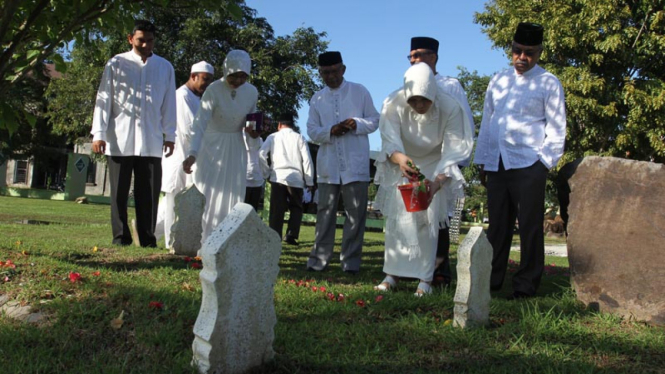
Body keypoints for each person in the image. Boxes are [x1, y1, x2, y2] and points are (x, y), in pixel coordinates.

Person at [474, 23, 566, 299]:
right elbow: (488, 123)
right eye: (517, 51)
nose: (522, 58)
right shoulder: (498, 79)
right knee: (498, 228)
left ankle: (525, 286)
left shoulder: (548, 82)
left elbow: (557, 128)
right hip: (498, 164)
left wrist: (542, 164)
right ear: (511, 49)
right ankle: (490, 283)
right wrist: (483, 160)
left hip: (529, 164)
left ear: (539, 53)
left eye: (530, 53)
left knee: (529, 227)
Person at [373, 62, 473, 296]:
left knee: (427, 222)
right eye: (413, 100)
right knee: (397, 220)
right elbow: (389, 138)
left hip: (436, 164)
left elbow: (453, 149)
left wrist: (436, 183)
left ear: (432, 93)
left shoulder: (451, 107)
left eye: (424, 100)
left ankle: (425, 279)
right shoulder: (392, 103)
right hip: (404, 161)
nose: (419, 105)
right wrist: (399, 158)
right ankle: (392, 274)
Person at [91, 20, 176, 247]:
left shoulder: (165, 67)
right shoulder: (116, 63)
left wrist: (170, 135)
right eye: (141, 40)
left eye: (150, 40)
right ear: (130, 39)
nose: (146, 44)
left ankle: (147, 238)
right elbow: (104, 98)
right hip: (120, 137)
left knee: (148, 193)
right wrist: (98, 133)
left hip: (151, 139)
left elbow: (169, 104)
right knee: (118, 193)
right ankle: (120, 237)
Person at [409, 36, 476, 287]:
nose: (414, 60)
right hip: (417, 161)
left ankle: (439, 273)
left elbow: (464, 125)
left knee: (441, 219)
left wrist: (455, 162)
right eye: (411, 56)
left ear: (433, 58)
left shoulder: (450, 85)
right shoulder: (408, 84)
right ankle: (413, 270)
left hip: (443, 163)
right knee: (416, 217)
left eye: (419, 55)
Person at [305, 51, 380, 275]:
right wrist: (331, 130)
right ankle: (318, 261)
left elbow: (375, 120)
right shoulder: (317, 98)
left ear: (343, 69)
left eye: (335, 71)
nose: (331, 76)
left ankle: (350, 263)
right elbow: (311, 131)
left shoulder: (359, 91)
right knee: (325, 212)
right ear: (320, 73)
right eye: (326, 72)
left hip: (355, 165)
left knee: (356, 214)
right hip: (329, 165)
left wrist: (356, 123)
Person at [182, 49, 260, 243]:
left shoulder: (252, 92)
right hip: (211, 147)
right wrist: (193, 153)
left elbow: (250, 123)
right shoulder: (214, 90)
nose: (238, 81)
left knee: (234, 193)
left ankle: (225, 242)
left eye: (243, 76)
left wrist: (253, 133)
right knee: (207, 192)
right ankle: (200, 241)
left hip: (235, 147)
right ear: (227, 71)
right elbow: (199, 124)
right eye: (234, 76)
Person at [155, 61, 214, 248]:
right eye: (204, 79)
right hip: (180, 155)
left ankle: (149, 230)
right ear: (193, 76)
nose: (206, 84)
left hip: (192, 155)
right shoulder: (181, 96)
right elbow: (191, 129)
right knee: (174, 198)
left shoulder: (198, 99)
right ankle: (170, 242)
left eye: (209, 80)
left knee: (177, 200)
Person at [259, 113, 314, 245]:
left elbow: (261, 154)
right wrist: (309, 181)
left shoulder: (273, 137)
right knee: (296, 208)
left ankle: (274, 235)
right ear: (293, 125)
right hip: (296, 178)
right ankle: (291, 235)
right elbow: (307, 160)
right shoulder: (299, 137)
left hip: (278, 176)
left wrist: (266, 173)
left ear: (279, 125)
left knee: (277, 209)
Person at [244, 130, 264, 212]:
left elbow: (262, 158)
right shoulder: (242, 138)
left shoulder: (260, 140)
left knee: (253, 209)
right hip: (243, 179)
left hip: (257, 179)